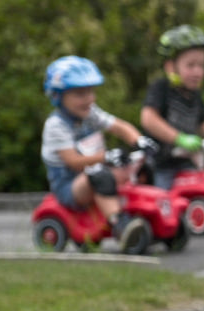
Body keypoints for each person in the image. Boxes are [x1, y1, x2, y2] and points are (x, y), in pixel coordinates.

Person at [40, 55, 155, 252]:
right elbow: (73, 162)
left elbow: (118, 126)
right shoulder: (56, 125)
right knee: (99, 176)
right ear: (58, 96)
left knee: (139, 167)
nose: (89, 99)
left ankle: (147, 211)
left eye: (91, 92)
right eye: (80, 94)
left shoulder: (89, 113)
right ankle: (120, 225)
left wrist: (139, 141)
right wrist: (106, 157)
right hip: (70, 184)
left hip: (94, 169)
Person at [140, 25, 204, 190]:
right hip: (160, 166)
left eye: (202, 65)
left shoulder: (194, 95)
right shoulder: (161, 89)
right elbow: (148, 119)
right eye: (190, 66)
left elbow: (202, 121)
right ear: (170, 66)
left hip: (186, 163)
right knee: (164, 202)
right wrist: (178, 138)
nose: (198, 72)